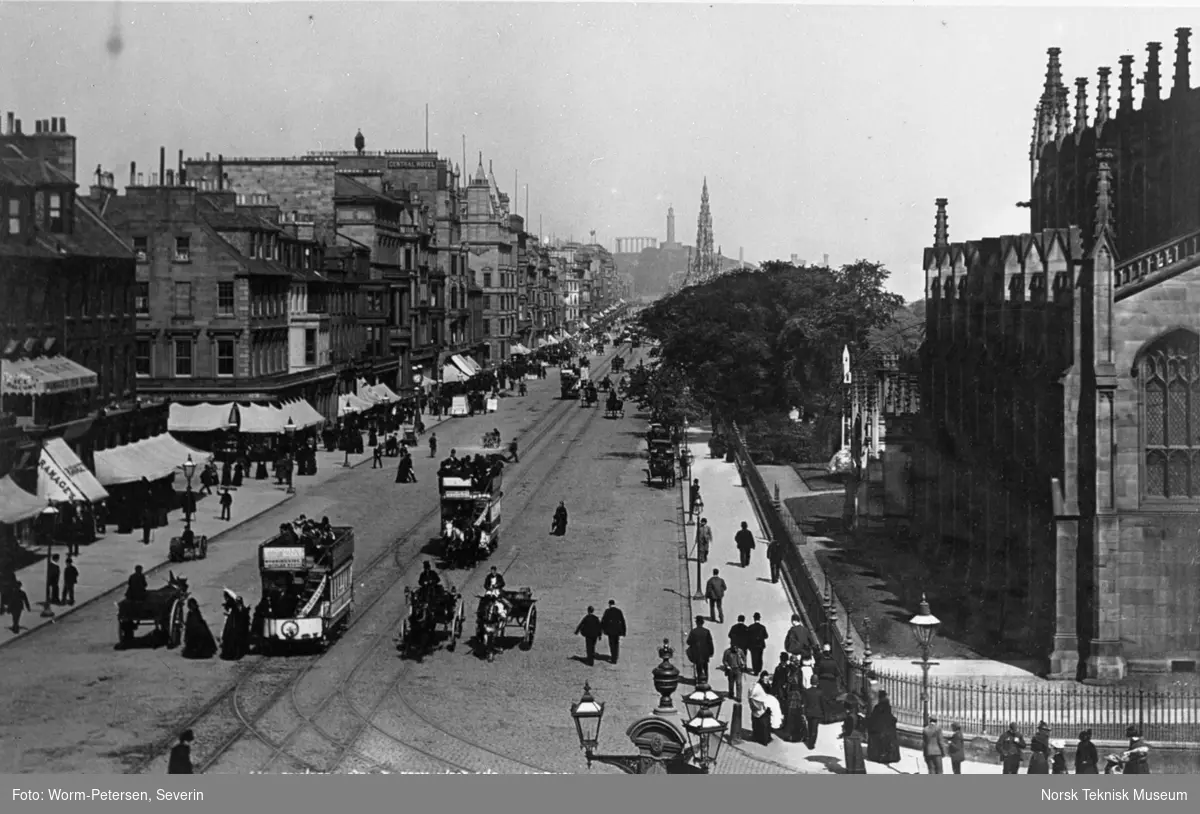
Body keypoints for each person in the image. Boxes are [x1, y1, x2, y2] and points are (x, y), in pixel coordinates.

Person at [867, 690, 902, 765]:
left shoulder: (878, 707)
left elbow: (874, 718)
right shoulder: (887, 706)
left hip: (880, 729)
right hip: (888, 728)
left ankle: (879, 756)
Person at [748, 672, 775, 745]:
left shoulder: (767, 684)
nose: (766, 680)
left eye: (767, 678)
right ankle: (762, 739)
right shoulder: (759, 686)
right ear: (762, 678)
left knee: (765, 723)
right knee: (762, 723)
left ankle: (765, 738)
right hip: (761, 706)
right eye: (765, 678)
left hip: (766, 705)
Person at [685, 616, 714, 682]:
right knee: (705, 667)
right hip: (705, 653)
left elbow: (688, 642)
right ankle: (706, 680)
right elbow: (710, 642)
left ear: (697, 623)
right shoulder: (706, 631)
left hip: (697, 652)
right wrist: (711, 652)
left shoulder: (693, 632)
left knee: (698, 667)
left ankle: (699, 680)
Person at [840, 706, 867, 774]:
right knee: (857, 755)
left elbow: (848, 730)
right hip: (856, 737)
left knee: (850, 755)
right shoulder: (858, 716)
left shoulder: (849, 717)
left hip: (849, 738)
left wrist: (842, 734)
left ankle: (851, 771)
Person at [600, 600, 627, 665]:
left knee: (612, 644)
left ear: (609, 604)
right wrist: (624, 631)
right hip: (617, 631)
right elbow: (623, 621)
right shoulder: (619, 611)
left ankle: (613, 658)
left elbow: (604, 621)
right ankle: (616, 656)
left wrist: (602, 629)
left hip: (610, 631)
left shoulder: (607, 611)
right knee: (616, 643)